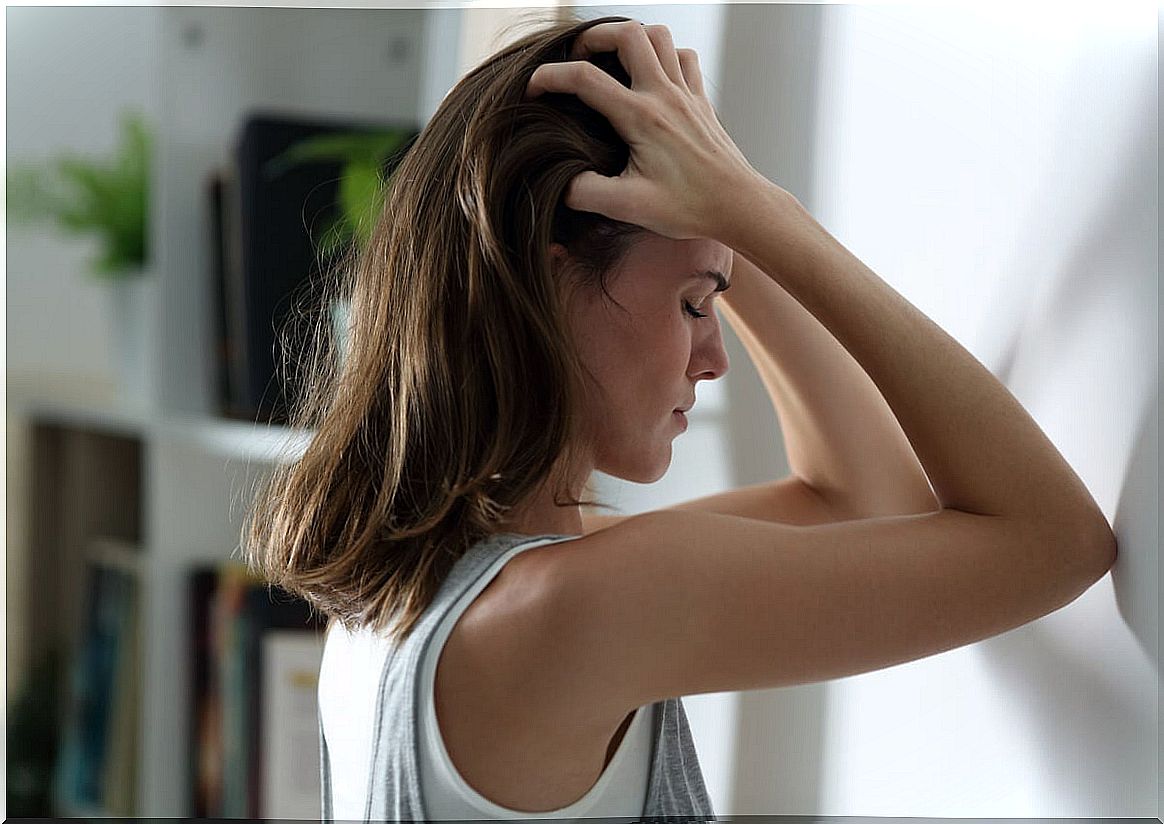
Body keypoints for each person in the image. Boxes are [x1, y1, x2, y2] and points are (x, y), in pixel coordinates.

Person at [241, 11, 1118, 822]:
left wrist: (724, 212)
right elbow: (1058, 541)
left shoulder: (408, 600)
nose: (716, 357)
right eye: (696, 306)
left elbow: (866, 499)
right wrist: (759, 213)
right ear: (551, 285)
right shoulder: (576, 608)